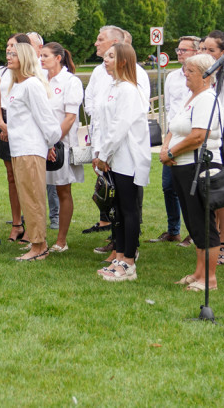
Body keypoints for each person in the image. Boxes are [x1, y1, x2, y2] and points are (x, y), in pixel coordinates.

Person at [160, 53, 224, 291]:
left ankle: (210, 278)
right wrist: (167, 147)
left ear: (206, 75)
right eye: (185, 70)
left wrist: (171, 153)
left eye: (190, 71)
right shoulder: (192, 97)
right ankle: (198, 272)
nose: (184, 74)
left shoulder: (207, 98)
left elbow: (199, 135)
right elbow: (174, 126)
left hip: (199, 167)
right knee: (193, 221)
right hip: (182, 167)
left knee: (204, 222)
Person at [81, 25, 149, 235]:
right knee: (111, 197)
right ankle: (116, 242)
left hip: (124, 150)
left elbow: (134, 114)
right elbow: (91, 101)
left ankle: (127, 247)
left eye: (100, 39)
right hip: (105, 144)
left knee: (127, 202)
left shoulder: (136, 75)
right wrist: (98, 151)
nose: (96, 43)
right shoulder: (98, 72)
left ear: (114, 44)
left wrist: (106, 151)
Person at [92, 44, 152, 282]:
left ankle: (129, 260)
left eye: (111, 56)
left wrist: (104, 154)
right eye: (105, 56)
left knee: (128, 210)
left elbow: (119, 127)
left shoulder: (129, 89)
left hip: (127, 157)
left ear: (124, 61)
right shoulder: (112, 87)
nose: (105, 60)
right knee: (115, 210)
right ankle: (118, 256)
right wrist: (100, 152)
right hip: (112, 158)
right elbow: (103, 123)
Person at [5, 43, 61, 261]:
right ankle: (37, 243)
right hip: (18, 149)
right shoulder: (16, 85)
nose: (8, 57)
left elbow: (47, 120)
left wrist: (49, 144)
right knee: (27, 197)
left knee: (33, 197)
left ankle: (39, 246)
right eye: (8, 53)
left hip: (30, 148)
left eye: (13, 54)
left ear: (25, 58)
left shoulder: (32, 85)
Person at [150, 35, 200, 247]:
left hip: (192, 137)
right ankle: (173, 230)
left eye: (184, 50)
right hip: (173, 135)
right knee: (168, 186)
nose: (179, 53)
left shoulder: (202, 76)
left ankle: (194, 233)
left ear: (196, 52)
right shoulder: (171, 77)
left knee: (191, 188)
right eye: (178, 50)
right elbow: (170, 109)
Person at [199, 30, 224, 265]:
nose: (205, 53)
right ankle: (210, 238)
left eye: (210, 50)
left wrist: (207, 131)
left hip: (221, 137)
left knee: (223, 192)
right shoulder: (205, 75)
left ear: (223, 53)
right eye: (203, 49)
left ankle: (223, 242)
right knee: (207, 190)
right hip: (203, 136)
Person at [39, 42, 85, 253]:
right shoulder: (40, 80)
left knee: (62, 190)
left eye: (45, 56)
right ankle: (37, 238)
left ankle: (61, 240)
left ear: (58, 58)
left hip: (61, 145)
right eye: (40, 56)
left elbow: (70, 117)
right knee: (37, 190)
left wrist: (53, 142)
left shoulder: (70, 82)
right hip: (40, 144)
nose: (41, 59)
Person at [0, 34, 33, 242]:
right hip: (5, 121)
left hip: (23, 122)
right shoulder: (2, 71)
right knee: (11, 176)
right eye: (7, 45)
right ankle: (17, 224)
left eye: (13, 46)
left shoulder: (32, 72)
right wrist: (1, 124)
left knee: (26, 176)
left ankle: (33, 224)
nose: (8, 49)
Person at [27, 32, 59, 230]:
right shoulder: (27, 73)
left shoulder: (41, 75)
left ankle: (53, 217)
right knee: (32, 184)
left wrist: (51, 142)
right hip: (31, 138)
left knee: (51, 181)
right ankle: (29, 219)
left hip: (48, 134)